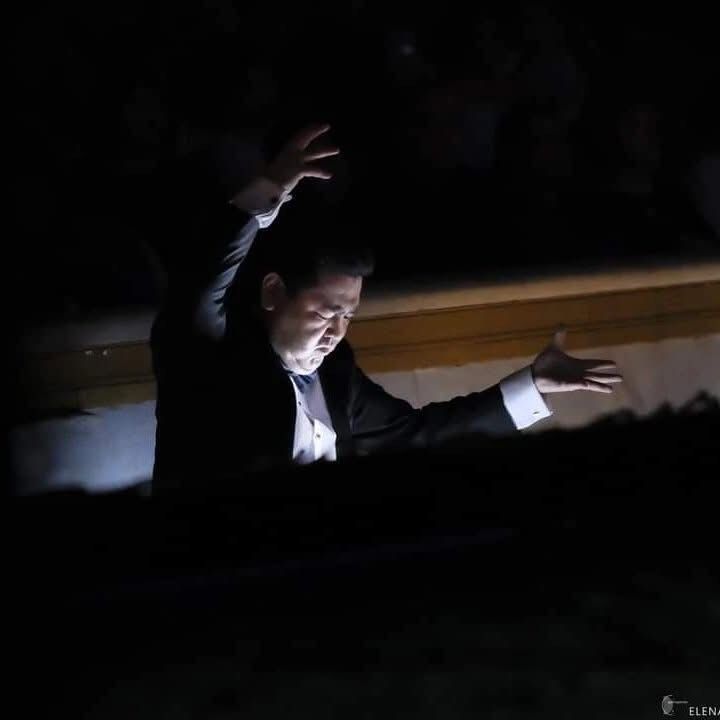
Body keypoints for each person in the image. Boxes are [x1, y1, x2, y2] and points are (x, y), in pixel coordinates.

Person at [151, 124, 622, 494]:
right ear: (273, 293)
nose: (336, 332)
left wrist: (533, 386)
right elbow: (198, 283)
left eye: (348, 317)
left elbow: (417, 435)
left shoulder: (337, 372)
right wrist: (268, 190)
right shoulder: (209, 355)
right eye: (325, 313)